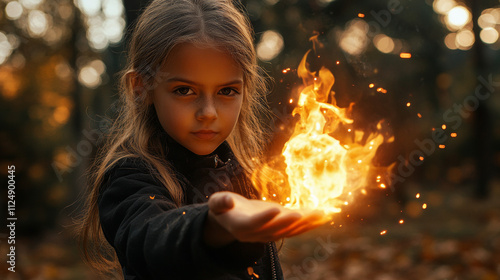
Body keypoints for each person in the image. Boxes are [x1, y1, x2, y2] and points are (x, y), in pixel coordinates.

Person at [77, 0, 325, 279]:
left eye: (227, 91)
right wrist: (210, 227)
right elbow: (153, 239)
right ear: (141, 87)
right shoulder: (129, 178)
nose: (208, 113)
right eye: (185, 90)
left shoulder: (241, 172)